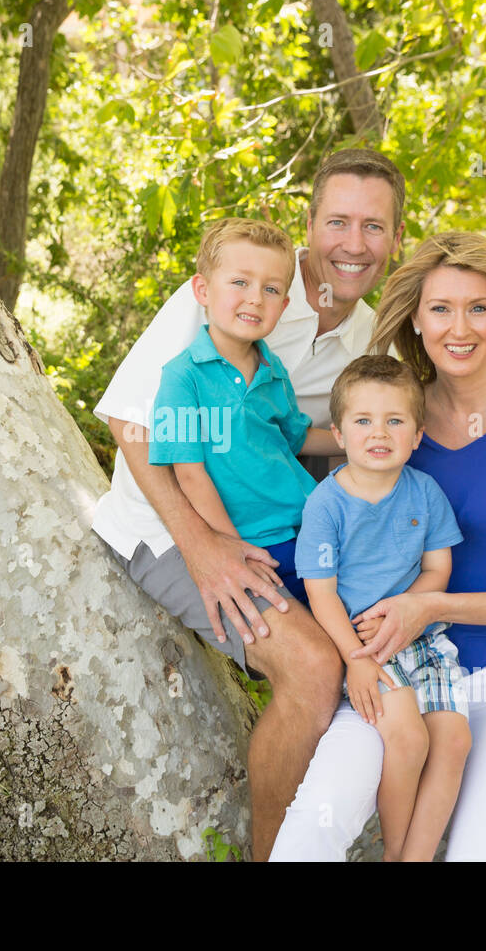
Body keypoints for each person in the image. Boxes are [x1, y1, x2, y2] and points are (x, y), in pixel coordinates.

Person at [93, 149, 405, 859]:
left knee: (373, 641)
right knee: (313, 667)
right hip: (169, 526)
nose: (353, 244)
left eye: (374, 227)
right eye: (338, 222)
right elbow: (131, 422)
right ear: (309, 224)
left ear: (395, 237)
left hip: (279, 531)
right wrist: (204, 548)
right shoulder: (232, 290)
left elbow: (313, 440)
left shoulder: (364, 337)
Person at [271, 231, 486, 861]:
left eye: (478, 308)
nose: (460, 328)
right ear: (415, 319)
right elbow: (293, 473)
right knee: (307, 836)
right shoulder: (393, 420)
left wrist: (432, 607)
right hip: (394, 662)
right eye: (440, 309)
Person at [295, 354, 471, 861]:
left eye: (395, 421)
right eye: (364, 420)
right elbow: (321, 592)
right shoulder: (326, 504)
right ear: (340, 433)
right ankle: (396, 853)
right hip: (365, 643)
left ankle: (417, 854)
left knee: (454, 741)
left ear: (417, 435)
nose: (380, 432)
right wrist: (356, 658)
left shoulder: (425, 492)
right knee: (410, 741)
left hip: (422, 635)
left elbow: (438, 570)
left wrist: (405, 608)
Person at [149, 218, 343, 639]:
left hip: (311, 525)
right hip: (258, 544)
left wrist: (356, 442)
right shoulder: (183, 377)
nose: (255, 299)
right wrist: (232, 548)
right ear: (203, 290)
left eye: (271, 289)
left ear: (284, 305)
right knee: (312, 644)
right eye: (240, 282)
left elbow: (297, 438)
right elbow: (189, 474)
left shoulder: (272, 369)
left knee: (354, 626)